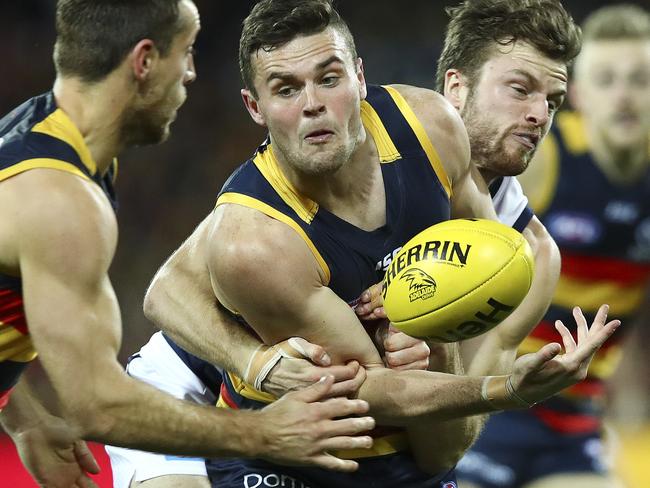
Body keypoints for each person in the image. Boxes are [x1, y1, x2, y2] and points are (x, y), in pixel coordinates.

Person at [108, 0, 620, 487]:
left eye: (551, 101)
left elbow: (444, 445)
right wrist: (251, 362)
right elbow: (168, 290)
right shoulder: (387, 138)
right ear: (455, 89)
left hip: (354, 414)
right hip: (195, 377)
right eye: (519, 89)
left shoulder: (521, 259)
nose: (537, 115)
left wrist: (431, 333)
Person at [0, 1, 378, 487]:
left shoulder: (39, 136)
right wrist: (263, 432)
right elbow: (96, 404)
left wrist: (23, 415)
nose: (192, 74)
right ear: (144, 62)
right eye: (186, 53)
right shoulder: (61, 199)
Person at [456, 4, 650, 488]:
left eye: (640, 79)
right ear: (579, 94)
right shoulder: (542, 160)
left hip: (576, 423)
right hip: (494, 407)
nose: (624, 96)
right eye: (607, 80)